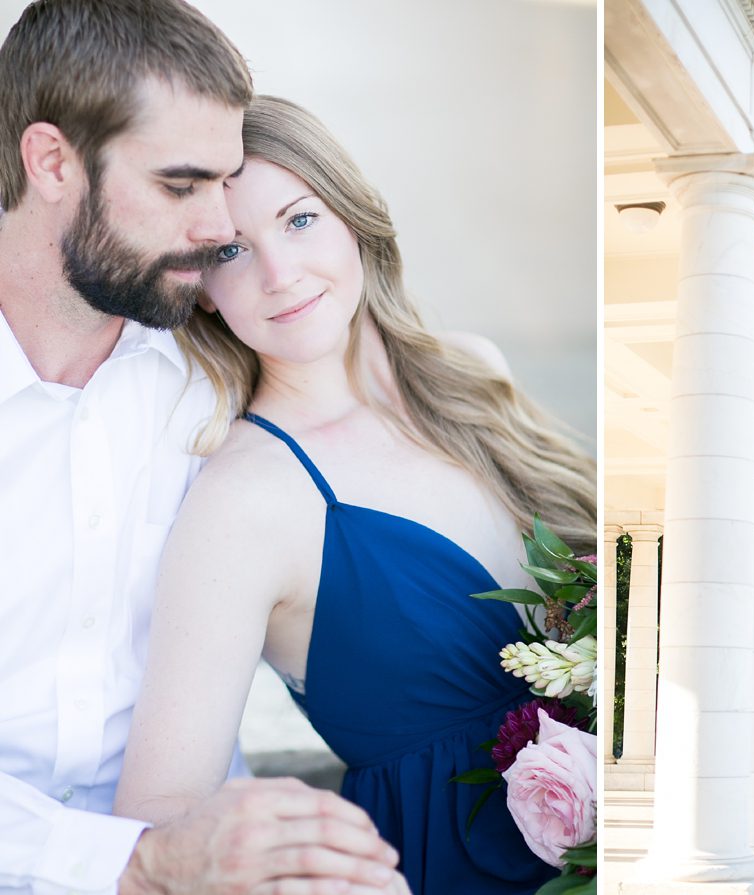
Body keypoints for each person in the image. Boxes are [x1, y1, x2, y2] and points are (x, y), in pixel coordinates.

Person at [112, 95, 597, 895]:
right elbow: (159, 813)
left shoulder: (472, 373)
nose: (280, 274)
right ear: (202, 289)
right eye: (232, 250)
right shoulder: (245, 502)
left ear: (353, 217)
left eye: (299, 221)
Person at [0, 2, 407, 893]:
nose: (219, 226)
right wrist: (137, 863)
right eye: (182, 186)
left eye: (225, 182)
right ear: (52, 160)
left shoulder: (215, 363)